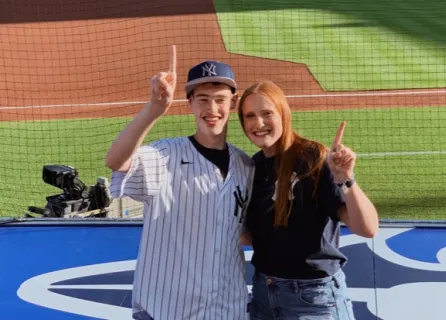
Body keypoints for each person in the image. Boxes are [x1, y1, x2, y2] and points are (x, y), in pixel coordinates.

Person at [105, 45, 253, 320]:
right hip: (167, 309)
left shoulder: (246, 166)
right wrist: (154, 109)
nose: (212, 109)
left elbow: (246, 231)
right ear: (190, 103)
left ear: (233, 103)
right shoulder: (165, 155)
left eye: (220, 99)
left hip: (228, 309)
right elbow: (117, 161)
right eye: (203, 99)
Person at [238, 80, 379, 320]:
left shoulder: (313, 159)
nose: (258, 123)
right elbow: (253, 235)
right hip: (264, 293)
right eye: (249, 116)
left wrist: (346, 179)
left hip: (314, 298)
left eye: (267, 113)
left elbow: (367, 228)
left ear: (283, 114)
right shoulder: (253, 167)